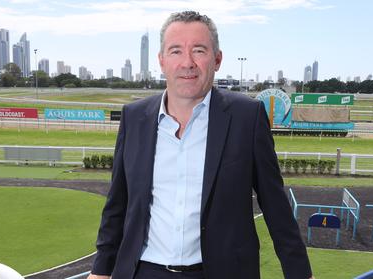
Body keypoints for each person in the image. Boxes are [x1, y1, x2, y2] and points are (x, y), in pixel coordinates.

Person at [89, 11, 313, 279]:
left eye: (198, 50)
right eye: (175, 51)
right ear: (161, 60)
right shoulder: (134, 117)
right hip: (143, 272)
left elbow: (275, 204)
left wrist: (300, 272)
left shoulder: (247, 117)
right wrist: (101, 270)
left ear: (217, 59)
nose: (187, 63)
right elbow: (118, 204)